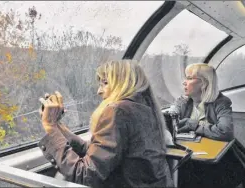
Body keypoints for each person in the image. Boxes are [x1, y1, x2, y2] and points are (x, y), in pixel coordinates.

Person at [38, 60, 174, 188]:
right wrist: (57, 126)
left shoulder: (118, 111)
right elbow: (100, 152)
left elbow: (85, 176)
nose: (99, 91)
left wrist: (50, 127)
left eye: (105, 83)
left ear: (124, 83)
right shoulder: (145, 109)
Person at [169, 63, 245, 188]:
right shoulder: (183, 101)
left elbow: (225, 131)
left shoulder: (221, 102)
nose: (184, 82)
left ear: (204, 83)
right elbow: (172, 119)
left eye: (189, 78)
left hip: (222, 161)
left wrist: (194, 125)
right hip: (193, 157)